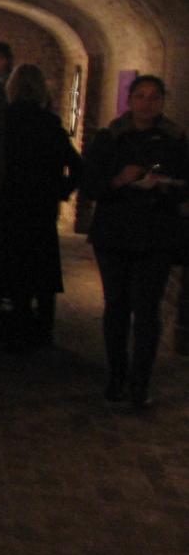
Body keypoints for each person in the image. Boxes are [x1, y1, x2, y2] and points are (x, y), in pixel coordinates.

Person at [80, 75, 188, 410]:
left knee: (147, 309)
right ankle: (116, 376)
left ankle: (140, 382)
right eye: (140, 96)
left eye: (154, 97)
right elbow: (91, 185)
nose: (147, 103)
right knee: (116, 306)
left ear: (162, 101)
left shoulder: (175, 140)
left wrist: (166, 184)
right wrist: (118, 179)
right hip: (115, 232)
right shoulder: (110, 138)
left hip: (156, 234)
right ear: (129, 100)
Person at [0, 64, 83, 350]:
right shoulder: (49, 124)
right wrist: (61, 191)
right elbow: (77, 166)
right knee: (33, 270)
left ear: (12, 88)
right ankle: (31, 331)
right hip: (36, 209)